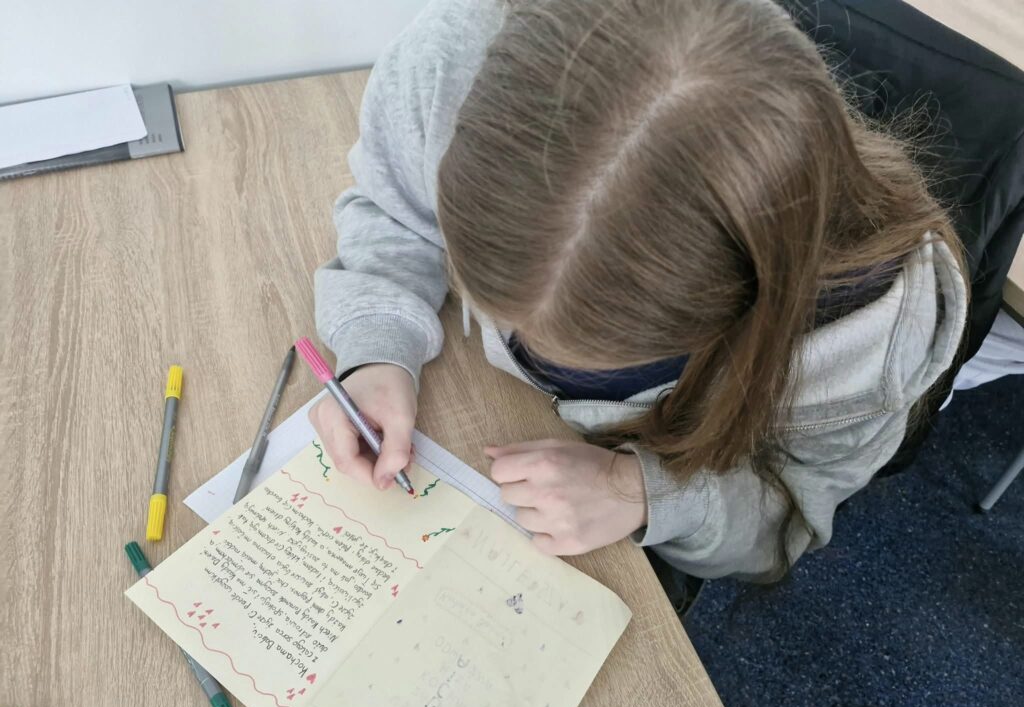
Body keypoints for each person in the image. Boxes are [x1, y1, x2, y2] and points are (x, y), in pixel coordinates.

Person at [310, 0, 968, 583]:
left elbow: (784, 525)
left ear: (733, 303)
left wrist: (642, 493)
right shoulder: (454, 57)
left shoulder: (873, 333)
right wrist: (378, 347)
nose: (512, 339)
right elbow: (394, 211)